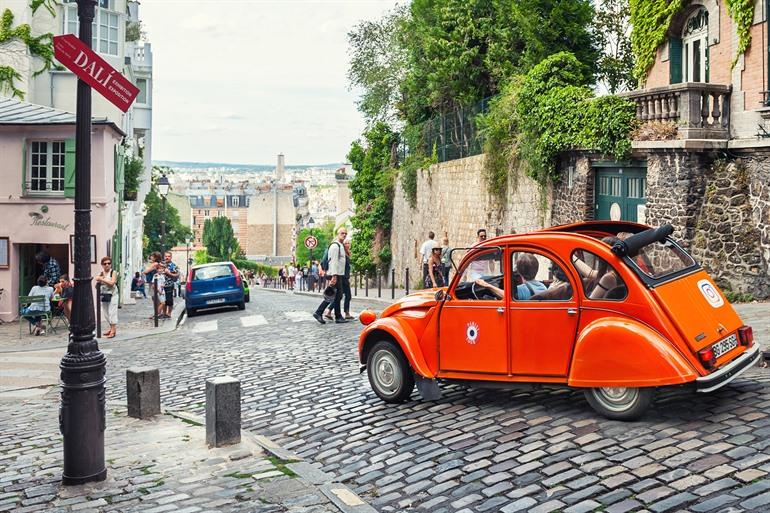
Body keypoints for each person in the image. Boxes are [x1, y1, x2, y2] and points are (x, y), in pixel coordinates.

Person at [313, 228, 347, 324]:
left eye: (345, 233)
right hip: (335, 274)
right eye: (342, 233)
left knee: (338, 296)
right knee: (331, 295)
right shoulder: (335, 246)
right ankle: (318, 312)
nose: (344, 235)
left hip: (338, 274)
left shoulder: (340, 245)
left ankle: (338, 316)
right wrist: (334, 276)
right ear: (337, 234)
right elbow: (333, 262)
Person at [325, 240, 354, 320]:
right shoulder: (342, 254)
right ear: (343, 245)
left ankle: (329, 311)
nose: (348, 244)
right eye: (346, 243)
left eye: (348, 243)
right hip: (343, 277)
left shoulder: (347, 253)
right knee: (347, 296)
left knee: (339, 296)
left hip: (345, 276)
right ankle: (346, 313)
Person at [95, 256, 118, 338]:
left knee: (112, 312)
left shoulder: (113, 272)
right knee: (106, 313)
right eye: (105, 264)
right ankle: (111, 328)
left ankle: (113, 331)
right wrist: (100, 279)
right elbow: (96, 285)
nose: (107, 265)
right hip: (104, 295)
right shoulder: (101, 273)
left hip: (113, 294)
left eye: (109, 263)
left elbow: (112, 283)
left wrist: (102, 279)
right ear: (102, 265)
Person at [162, 251, 179, 318]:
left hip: (169, 285)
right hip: (161, 286)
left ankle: (169, 313)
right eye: (166, 256)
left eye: (168, 256)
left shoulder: (173, 266)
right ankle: (164, 313)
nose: (167, 257)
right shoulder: (161, 265)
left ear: (171, 257)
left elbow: (177, 275)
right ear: (164, 257)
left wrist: (169, 273)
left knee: (169, 300)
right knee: (163, 300)